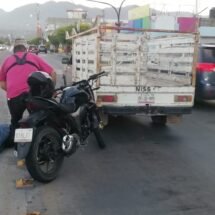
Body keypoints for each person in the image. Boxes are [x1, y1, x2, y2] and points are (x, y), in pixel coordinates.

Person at [0, 38, 56, 147]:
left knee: (15, 122)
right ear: (26, 49)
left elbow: (1, 82)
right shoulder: (33, 56)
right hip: (34, 95)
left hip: (14, 97)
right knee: (40, 119)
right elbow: (52, 73)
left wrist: (12, 90)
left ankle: (16, 145)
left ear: (14, 51)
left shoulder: (7, 60)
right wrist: (51, 91)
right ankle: (41, 143)